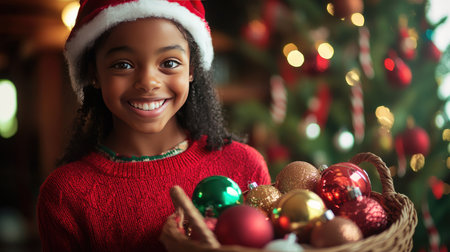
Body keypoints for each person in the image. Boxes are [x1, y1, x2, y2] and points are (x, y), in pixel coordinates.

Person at [37, 0, 272, 251]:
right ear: (94, 73)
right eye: (123, 65)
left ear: (192, 68)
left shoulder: (244, 166)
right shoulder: (65, 194)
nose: (148, 82)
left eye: (169, 63)